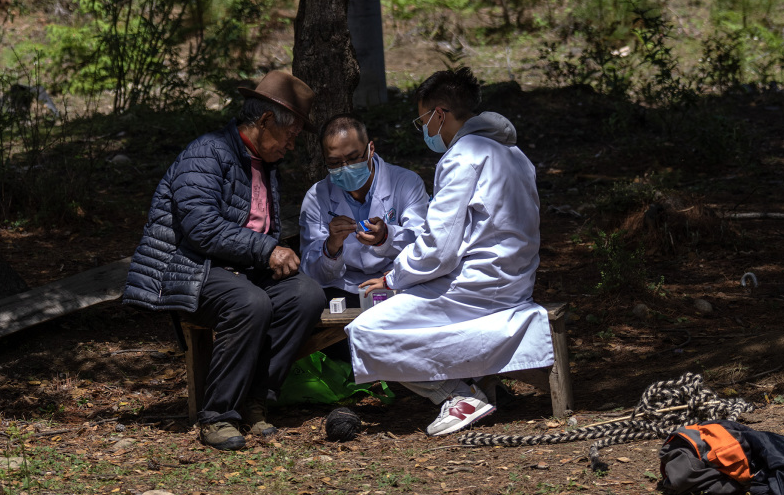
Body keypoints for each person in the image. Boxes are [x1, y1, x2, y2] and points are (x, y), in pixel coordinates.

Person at [122, 70, 326, 452]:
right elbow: (200, 227)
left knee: (306, 295)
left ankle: (255, 400)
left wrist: (268, 254)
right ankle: (217, 415)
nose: (292, 144)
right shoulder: (208, 152)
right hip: (189, 269)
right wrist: (268, 251)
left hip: (240, 270)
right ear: (265, 121)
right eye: (291, 134)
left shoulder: (265, 164)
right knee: (249, 302)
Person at [347, 66, 553, 438]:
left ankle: (457, 396)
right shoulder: (514, 154)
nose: (424, 130)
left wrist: (394, 278)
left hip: (476, 287)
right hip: (515, 282)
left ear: (439, 114)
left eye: (422, 120)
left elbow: (439, 250)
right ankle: (480, 386)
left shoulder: (462, 157)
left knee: (366, 330)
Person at [298, 113, 429, 308]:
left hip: (396, 280)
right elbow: (312, 270)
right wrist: (331, 247)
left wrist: (387, 237)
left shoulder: (406, 183)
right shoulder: (317, 197)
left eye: (353, 158)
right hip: (342, 286)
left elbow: (423, 244)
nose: (345, 168)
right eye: (334, 163)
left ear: (370, 149)